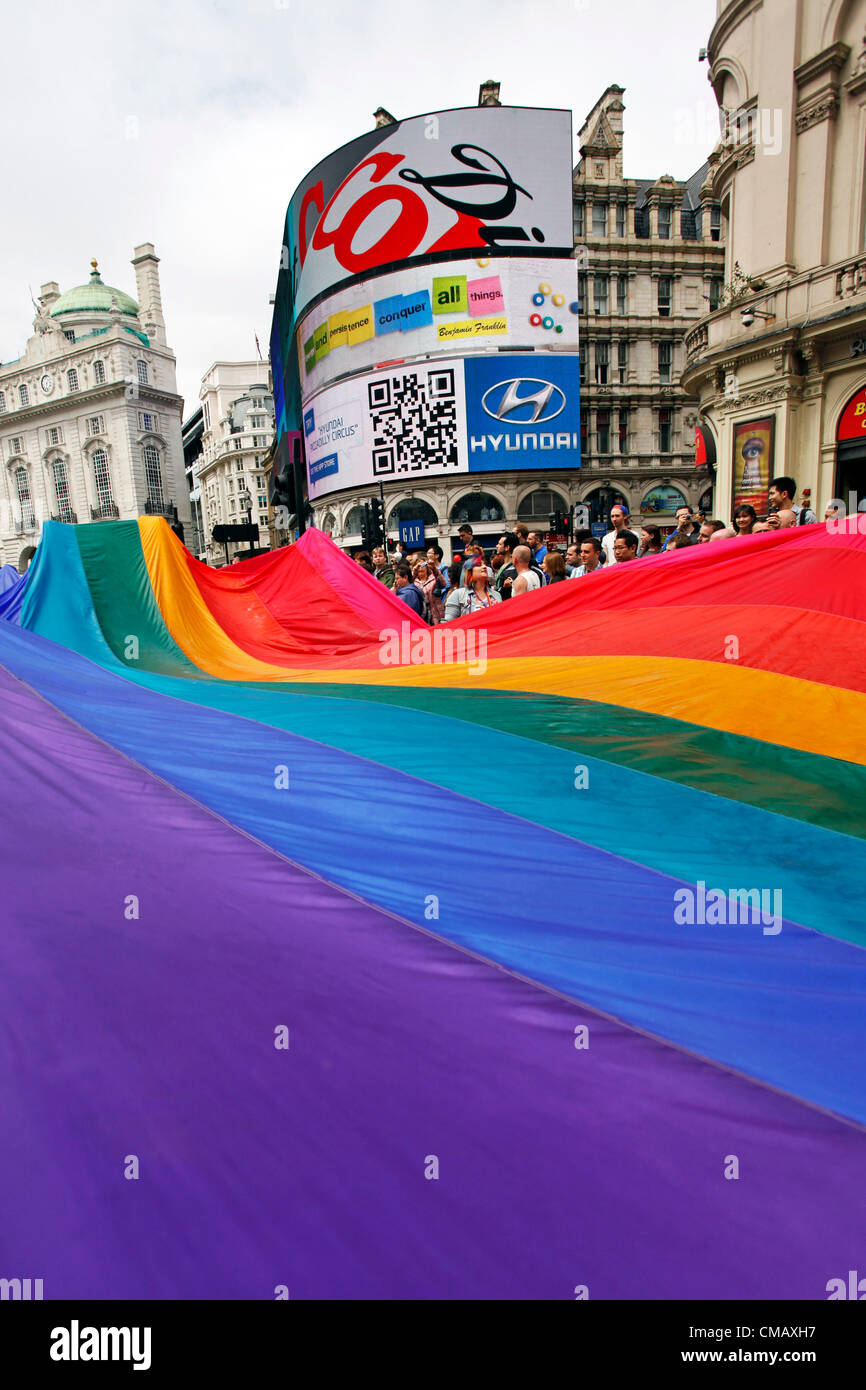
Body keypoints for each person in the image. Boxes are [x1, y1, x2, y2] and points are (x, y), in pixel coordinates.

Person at [411, 556, 441, 623]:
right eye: (418, 566)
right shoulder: (413, 581)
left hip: (435, 614)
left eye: (422, 565)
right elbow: (408, 580)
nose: (420, 568)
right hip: (420, 614)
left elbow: (443, 583)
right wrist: (414, 569)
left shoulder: (433, 578)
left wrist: (434, 568)